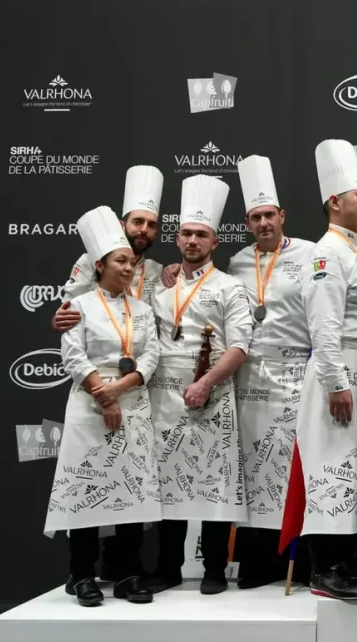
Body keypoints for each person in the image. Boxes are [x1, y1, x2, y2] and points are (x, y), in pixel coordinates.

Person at [51, 165, 164, 585]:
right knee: (86, 484)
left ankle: (126, 572)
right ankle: (81, 573)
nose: (129, 265)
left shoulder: (151, 289)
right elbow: (71, 345)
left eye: (152, 225)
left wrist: (122, 388)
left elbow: (151, 353)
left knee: (130, 486)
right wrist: (103, 393)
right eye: (138, 222)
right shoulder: (82, 290)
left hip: (133, 398)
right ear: (102, 262)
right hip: (89, 400)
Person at [146, 174, 252, 595]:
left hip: (212, 392)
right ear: (177, 239)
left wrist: (205, 383)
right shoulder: (160, 286)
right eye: (187, 233)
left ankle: (213, 569)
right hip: (163, 395)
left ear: (215, 242)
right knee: (167, 481)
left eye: (201, 234)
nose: (193, 240)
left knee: (215, 481)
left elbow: (240, 345)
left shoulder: (230, 287)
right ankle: (168, 567)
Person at [296, 139, 357, 600]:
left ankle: (349, 556)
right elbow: (324, 326)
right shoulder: (327, 253)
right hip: (341, 371)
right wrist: (335, 382)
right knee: (333, 465)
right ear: (335, 202)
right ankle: (323, 568)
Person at [226, 155, 317, 588]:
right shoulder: (237, 263)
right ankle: (257, 564)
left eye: (269, 215)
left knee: (292, 469)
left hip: (297, 373)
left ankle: (300, 564)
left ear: (282, 216)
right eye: (255, 217)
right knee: (254, 468)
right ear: (247, 223)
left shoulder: (312, 254)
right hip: (250, 380)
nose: (264, 223)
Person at [54, 165, 165, 333]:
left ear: (155, 233)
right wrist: (59, 320)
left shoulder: (157, 270)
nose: (144, 229)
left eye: (151, 225)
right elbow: (67, 312)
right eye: (137, 221)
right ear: (122, 225)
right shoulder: (91, 261)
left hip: (142, 350)